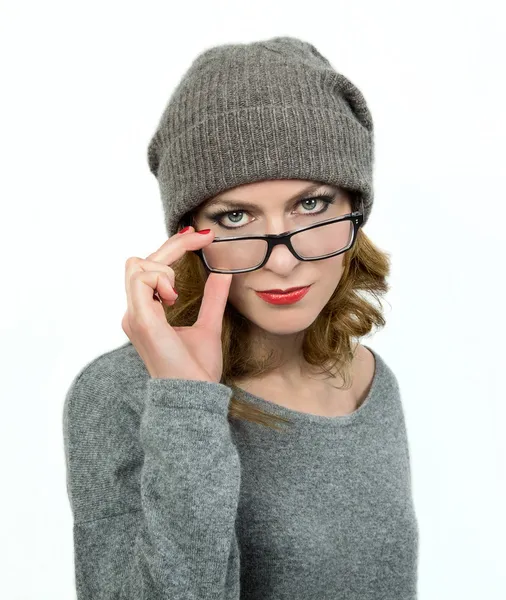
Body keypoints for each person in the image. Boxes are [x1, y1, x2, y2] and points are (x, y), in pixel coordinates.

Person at [62, 36, 419, 599]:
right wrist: (185, 404)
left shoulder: (370, 379)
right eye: (234, 216)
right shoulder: (122, 393)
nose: (282, 260)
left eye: (311, 203)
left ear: (355, 207)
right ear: (189, 237)